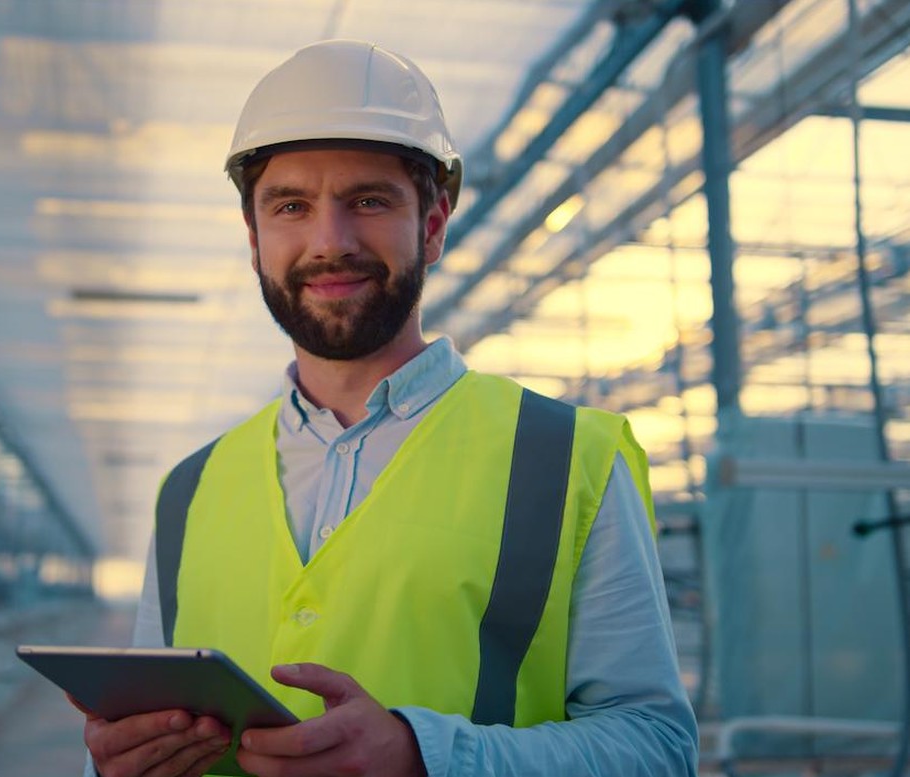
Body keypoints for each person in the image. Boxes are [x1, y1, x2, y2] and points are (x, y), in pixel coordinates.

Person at [79, 39, 699, 777]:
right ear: (253, 239)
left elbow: (656, 747)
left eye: (368, 201)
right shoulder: (189, 489)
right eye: (291, 206)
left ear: (432, 225)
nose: (329, 241)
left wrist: (422, 755)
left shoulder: (566, 459)